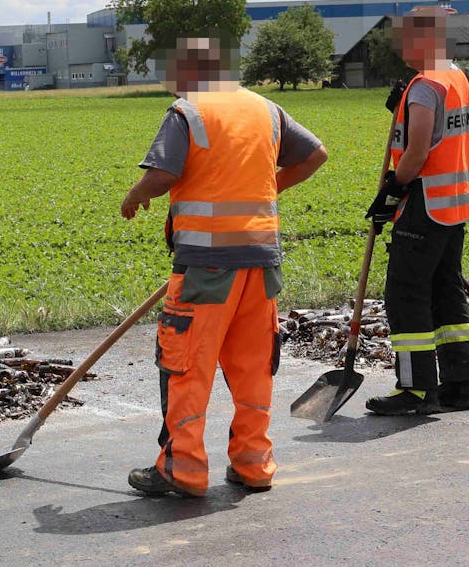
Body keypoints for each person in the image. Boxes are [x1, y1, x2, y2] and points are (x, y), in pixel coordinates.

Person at [120, 36, 327, 496]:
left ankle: (185, 470)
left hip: (206, 268)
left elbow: (164, 175)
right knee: (253, 366)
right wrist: (265, 192)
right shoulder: (265, 109)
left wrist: (136, 195)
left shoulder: (188, 111)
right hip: (261, 263)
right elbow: (315, 155)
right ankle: (254, 465)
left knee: (186, 367)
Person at [364, 6, 469, 415]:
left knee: (406, 292)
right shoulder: (454, 77)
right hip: (456, 205)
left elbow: (417, 150)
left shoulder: (423, 86)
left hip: (425, 203)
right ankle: (462, 384)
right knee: (445, 290)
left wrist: (393, 190)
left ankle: (417, 390)